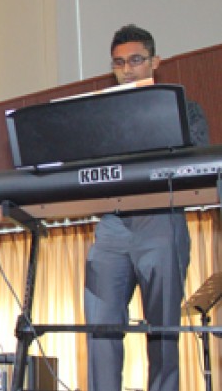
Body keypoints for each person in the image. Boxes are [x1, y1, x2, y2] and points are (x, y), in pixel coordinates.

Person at [84, 24, 210, 391]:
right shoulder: (101, 118)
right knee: (100, 328)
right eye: (119, 62)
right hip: (111, 227)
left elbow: (198, 162)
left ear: (155, 61)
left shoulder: (183, 108)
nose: (127, 69)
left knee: (163, 333)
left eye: (136, 60)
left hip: (161, 220)